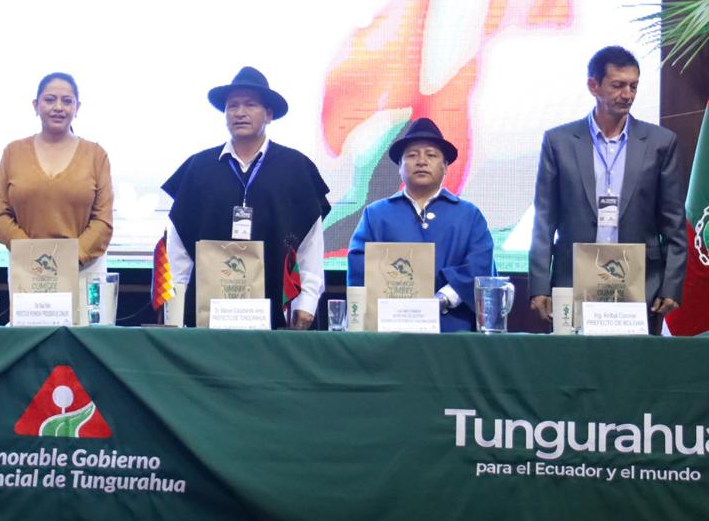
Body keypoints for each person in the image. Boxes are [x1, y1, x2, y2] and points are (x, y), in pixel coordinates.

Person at [529, 46, 686, 334]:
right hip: (573, 279)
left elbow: (673, 224)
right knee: (574, 360)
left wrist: (671, 286)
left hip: (641, 283)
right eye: (618, 85)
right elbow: (544, 220)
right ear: (593, 86)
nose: (627, 95)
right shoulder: (559, 142)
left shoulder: (660, 143)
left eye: (633, 86)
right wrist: (539, 285)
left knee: (633, 362)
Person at [163, 66, 331, 329]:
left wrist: (307, 301)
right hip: (207, 314)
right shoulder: (198, 168)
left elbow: (310, 243)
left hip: (277, 312)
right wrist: (175, 307)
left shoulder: (296, 168)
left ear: (269, 114)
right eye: (232, 106)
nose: (240, 112)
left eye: (250, 104)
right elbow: (178, 246)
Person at [346, 117, 494, 332]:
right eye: (412, 155)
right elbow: (359, 266)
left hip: (452, 329)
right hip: (389, 329)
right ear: (399, 166)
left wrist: (442, 299)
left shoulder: (469, 215)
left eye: (431, 155)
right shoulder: (376, 214)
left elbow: (480, 265)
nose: (421, 161)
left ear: (445, 166)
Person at [0, 72, 114, 288]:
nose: (58, 107)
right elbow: (0, 214)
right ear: (36, 105)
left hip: (82, 271)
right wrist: (33, 255)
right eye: (49, 99)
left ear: (77, 107)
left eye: (67, 101)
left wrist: (69, 259)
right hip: (28, 270)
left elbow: (103, 221)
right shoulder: (13, 152)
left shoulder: (96, 155)